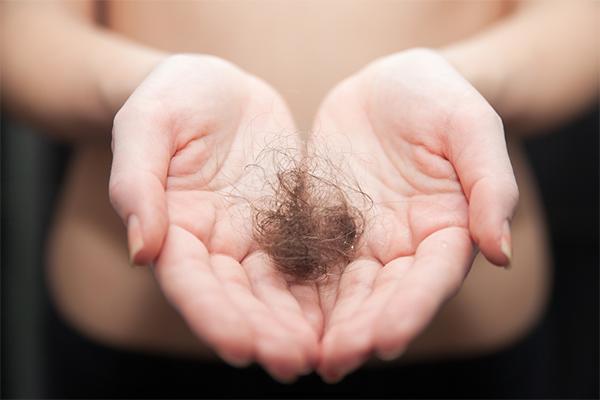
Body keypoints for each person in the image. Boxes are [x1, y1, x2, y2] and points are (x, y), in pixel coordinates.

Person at [0, 0, 599, 397]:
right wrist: (147, 91)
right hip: (133, 347)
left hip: (465, 350)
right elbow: (20, 31)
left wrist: (467, 83)